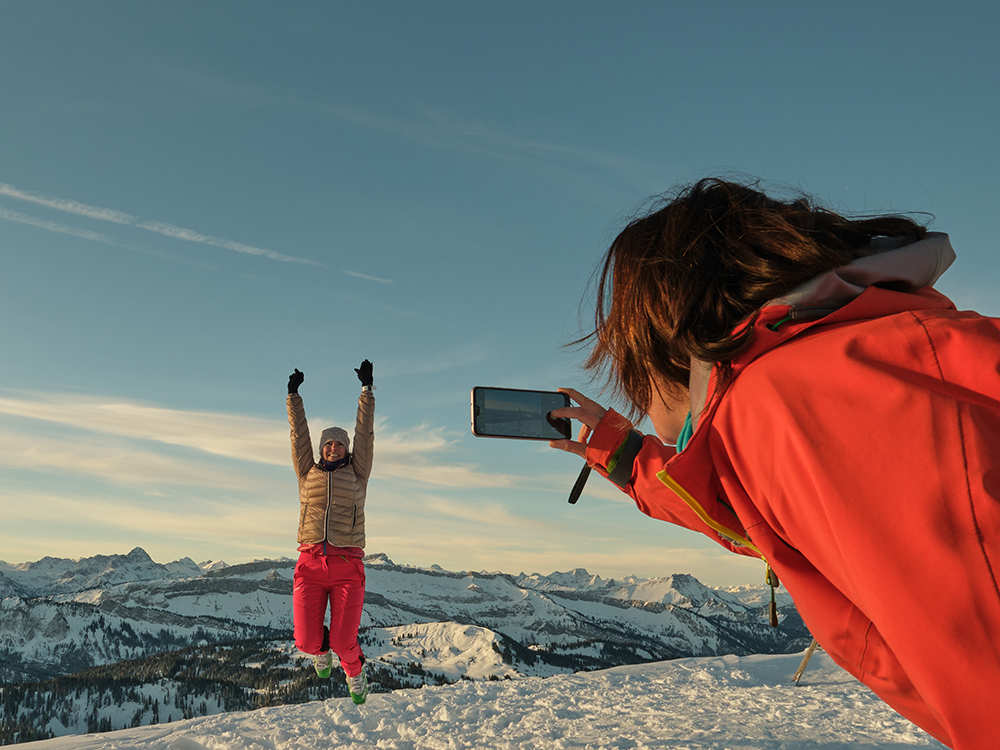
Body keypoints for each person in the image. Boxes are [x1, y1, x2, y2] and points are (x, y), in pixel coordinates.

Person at [548, 177, 999, 750]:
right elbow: (770, 510)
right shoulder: (857, 362)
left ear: (669, 335)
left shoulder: (795, 400)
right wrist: (628, 456)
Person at [287, 360, 374, 705]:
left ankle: (355, 672)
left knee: (344, 641)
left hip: (347, 565)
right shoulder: (307, 473)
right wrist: (293, 396)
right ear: (322, 450)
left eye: (340, 445)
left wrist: (366, 391)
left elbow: (365, 434)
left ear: (346, 450)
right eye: (329, 445)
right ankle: (320, 650)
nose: (334, 448)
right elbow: (298, 437)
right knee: (307, 642)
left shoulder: (358, 472)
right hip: (309, 563)